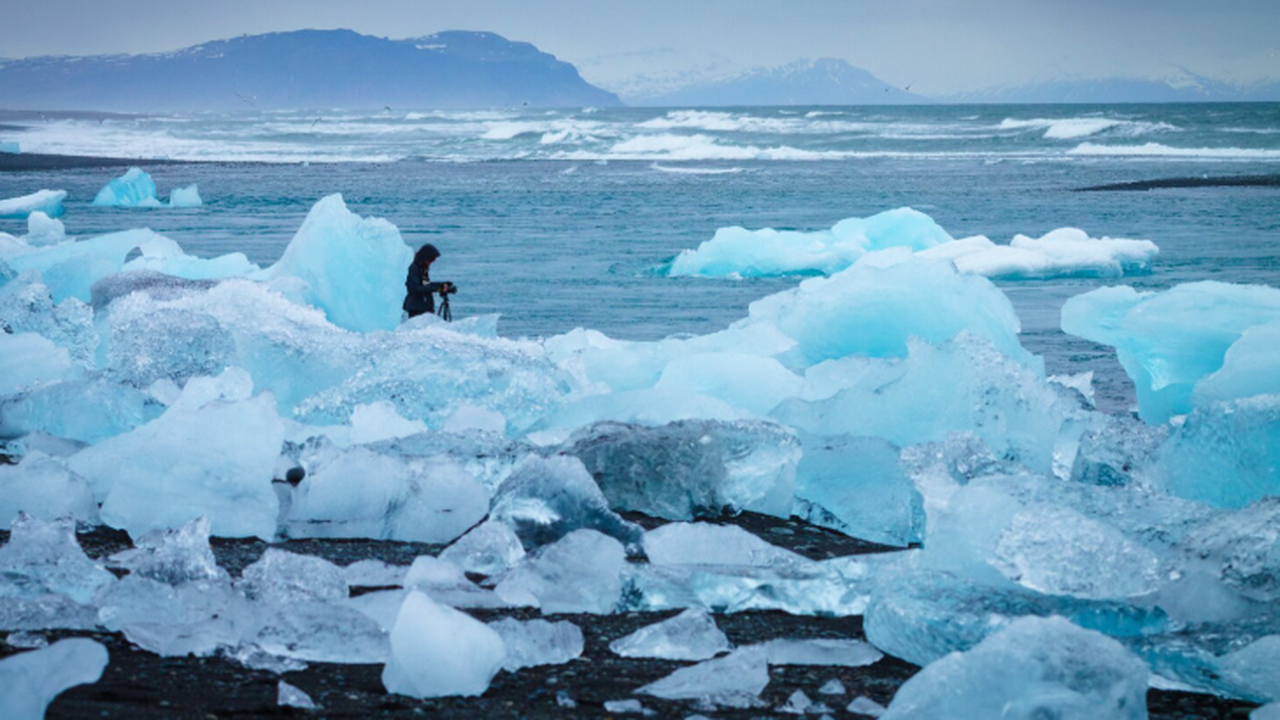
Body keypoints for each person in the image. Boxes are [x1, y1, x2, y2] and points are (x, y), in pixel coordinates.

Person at [403, 244, 454, 319]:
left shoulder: (422, 269)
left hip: (424, 306)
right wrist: (437, 288)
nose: (431, 262)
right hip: (416, 308)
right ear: (424, 258)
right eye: (431, 259)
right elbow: (416, 289)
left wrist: (441, 285)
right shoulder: (414, 269)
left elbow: (426, 286)